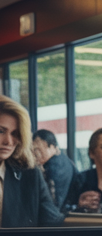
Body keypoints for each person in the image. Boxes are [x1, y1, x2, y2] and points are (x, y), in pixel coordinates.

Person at [0, 96, 62, 228]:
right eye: (1, 131)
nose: (9, 142)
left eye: (15, 133)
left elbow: (53, 223)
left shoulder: (30, 175)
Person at [31, 129, 80, 209]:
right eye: (33, 150)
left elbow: (53, 204)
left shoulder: (53, 167)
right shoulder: (62, 158)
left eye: (38, 149)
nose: (35, 153)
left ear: (52, 147)